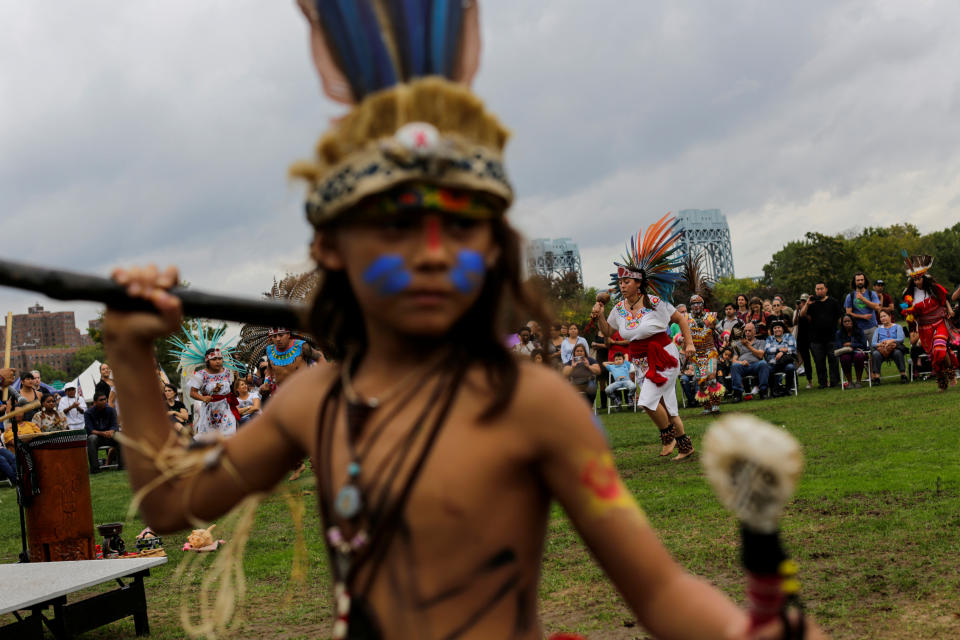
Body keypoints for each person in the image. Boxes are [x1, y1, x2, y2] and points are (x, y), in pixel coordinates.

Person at [99, 5, 824, 639]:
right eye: (396, 228)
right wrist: (130, 354)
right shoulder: (314, 401)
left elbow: (660, 591)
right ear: (331, 247)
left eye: (462, 227)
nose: (433, 256)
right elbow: (170, 503)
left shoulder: (532, 405)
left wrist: (741, 630)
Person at [590, 214, 697, 460]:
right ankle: (685, 446)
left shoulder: (654, 303)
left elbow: (680, 319)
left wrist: (689, 342)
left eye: (626, 281)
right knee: (668, 408)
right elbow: (609, 333)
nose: (622, 285)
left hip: (663, 358)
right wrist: (600, 317)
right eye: (620, 282)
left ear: (638, 283)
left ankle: (668, 437)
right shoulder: (618, 308)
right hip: (639, 361)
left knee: (647, 403)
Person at [902, 254, 959, 391]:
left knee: (939, 349)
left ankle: (951, 373)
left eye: (919, 278)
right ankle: (942, 380)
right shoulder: (909, 295)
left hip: (940, 323)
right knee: (935, 354)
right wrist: (912, 328)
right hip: (924, 328)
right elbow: (909, 315)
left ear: (924, 277)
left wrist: (950, 310)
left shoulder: (933, 288)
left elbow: (944, 298)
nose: (917, 282)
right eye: (914, 279)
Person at [684, 294, 724, 415]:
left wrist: (726, 336)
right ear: (690, 306)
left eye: (698, 303)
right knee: (701, 382)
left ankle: (716, 404)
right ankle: (707, 407)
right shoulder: (685, 318)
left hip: (710, 352)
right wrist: (680, 339)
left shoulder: (711, 317)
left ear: (703, 305)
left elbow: (721, 330)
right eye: (693, 304)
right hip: (696, 355)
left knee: (711, 377)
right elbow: (681, 335)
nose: (696, 306)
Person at [800, 282, 843, 389]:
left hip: (832, 336)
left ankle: (834, 381)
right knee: (819, 362)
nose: (819, 291)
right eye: (817, 289)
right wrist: (807, 304)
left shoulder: (833, 302)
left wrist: (840, 332)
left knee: (833, 360)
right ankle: (822, 383)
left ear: (826, 289)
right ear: (815, 291)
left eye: (821, 288)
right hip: (816, 338)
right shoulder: (812, 303)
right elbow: (802, 314)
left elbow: (839, 318)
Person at [187, 348, 238, 438]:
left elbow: (231, 389)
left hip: (225, 408)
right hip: (209, 410)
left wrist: (237, 378)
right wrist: (203, 398)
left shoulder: (227, 372)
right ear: (207, 361)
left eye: (219, 358)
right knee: (209, 437)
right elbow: (192, 393)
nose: (218, 361)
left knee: (229, 434)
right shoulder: (201, 374)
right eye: (214, 359)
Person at [731, 323, 771, 401]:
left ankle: (763, 392)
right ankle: (738, 394)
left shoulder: (761, 342)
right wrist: (741, 363)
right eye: (745, 331)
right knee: (734, 366)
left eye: (749, 331)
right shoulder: (738, 344)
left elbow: (760, 355)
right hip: (743, 366)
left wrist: (747, 345)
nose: (747, 333)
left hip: (756, 365)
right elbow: (734, 360)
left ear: (754, 332)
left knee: (763, 364)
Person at [84, 392, 121, 473]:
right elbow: (90, 430)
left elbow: (115, 426)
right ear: (95, 402)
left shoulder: (111, 410)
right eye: (101, 400)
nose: (104, 401)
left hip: (109, 436)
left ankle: (122, 465)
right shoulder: (88, 413)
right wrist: (103, 433)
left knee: (119, 435)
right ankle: (95, 469)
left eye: (105, 399)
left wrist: (111, 431)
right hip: (97, 438)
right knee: (91, 438)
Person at [870, 310, 909, 384]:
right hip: (882, 349)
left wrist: (890, 341)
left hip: (894, 347)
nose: (882, 318)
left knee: (898, 352)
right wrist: (882, 344)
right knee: (875, 354)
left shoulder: (897, 326)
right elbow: (873, 343)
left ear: (890, 316)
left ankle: (903, 375)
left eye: (884, 316)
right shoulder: (878, 329)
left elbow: (901, 339)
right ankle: (877, 378)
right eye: (881, 317)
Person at [844, 272, 880, 345]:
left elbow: (877, 307)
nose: (860, 282)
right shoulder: (850, 296)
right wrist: (863, 317)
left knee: (875, 352)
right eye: (858, 280)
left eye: (862, 280)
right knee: (859, 354)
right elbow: (848, 314)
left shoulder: (872, 293)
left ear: (865, 281)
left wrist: (863, 299)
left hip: (872, 327)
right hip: (857, 329)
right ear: (854, 282)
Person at [764, 321, 797, 396]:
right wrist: (780, 350)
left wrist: (782, 353)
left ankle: (788, 389)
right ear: (773, 330)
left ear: (783, 329)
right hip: (773, 363)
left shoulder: (789, 336)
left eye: (779, 327)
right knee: (767, 369)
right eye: (775, 328)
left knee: (790, 367)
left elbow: (792, 348)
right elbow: (767, 350)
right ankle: (774, 390)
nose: (777, 329)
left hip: (786, 362)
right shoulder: (769, 338)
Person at [834, 315, 868, 389]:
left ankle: (859, 381)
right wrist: (852, 347)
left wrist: (851, 344)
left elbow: (864, 344)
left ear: (852, 321)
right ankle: (850, 382)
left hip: (858, 352)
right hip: (846, 353)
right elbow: (839, 346)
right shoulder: (839, 333)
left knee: (859, 356)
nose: (847, 323)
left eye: (849, 321)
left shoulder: (859, 330)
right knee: (844, 358)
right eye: (845, 321)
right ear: (842, 323)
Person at [793, 293, 813, 390]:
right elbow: (795, 322)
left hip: (812, 338)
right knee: (805, 360)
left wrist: (806, 306)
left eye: (804, 301)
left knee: (817, 359)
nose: (802, 303)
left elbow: (808, 319)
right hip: (801, 339)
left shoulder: (812, 310)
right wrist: (797, 310)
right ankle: (810, 382)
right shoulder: (798, 311)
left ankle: (823, 380)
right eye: (802, 301)